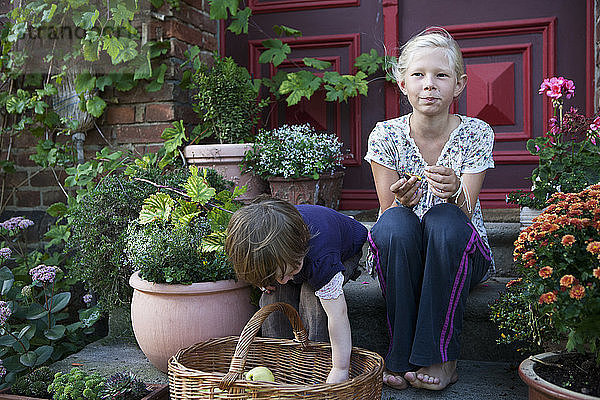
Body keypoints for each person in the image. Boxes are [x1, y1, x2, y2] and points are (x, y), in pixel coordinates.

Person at [364, 27, 495, 391]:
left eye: (441, 76)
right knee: (395, 224)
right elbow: (388, 212)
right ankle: (400, 351)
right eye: (418, 75)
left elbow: (465, 217)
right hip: (403, 254)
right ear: (402, 82)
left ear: (459, 84)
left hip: (460, 252)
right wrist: (400, 201)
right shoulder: (385, 135)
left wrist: (455, 194)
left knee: (444, 218)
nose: (429, 85)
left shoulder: (476, 132)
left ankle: (442, 356)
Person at [225, 197, 367, 384]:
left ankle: (317, 367)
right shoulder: (267, 250)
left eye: (290, 272)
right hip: (294, 258)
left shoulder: (322, 257)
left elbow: (337, 315)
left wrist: (340, 368)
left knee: (313, 298)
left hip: (343, 249)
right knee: (272, 298)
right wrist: (264, 279)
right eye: (276, 275)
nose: (283, 280)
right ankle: (280, 365)